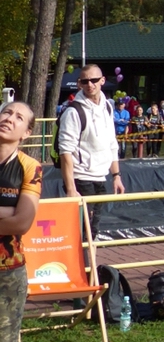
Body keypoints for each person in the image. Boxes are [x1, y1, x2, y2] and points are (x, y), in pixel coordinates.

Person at [58, 65, 126, 234]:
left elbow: (112, 143)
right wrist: (71, 188)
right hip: (81, 178)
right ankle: (83, 253)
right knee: (84, 230)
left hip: (100, 177)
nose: (90, 84)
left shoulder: (107, 106)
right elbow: (65, 152)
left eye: (94, 80)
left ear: (102, 81)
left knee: (92, 229)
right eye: (85, 81)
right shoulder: (73, 112)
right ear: (79, 83)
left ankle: (88, 252)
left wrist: (116, 176)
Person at [0, 101, 42, 342]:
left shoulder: (30, 166)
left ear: (26, 133)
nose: (9, 118)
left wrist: (15, 216)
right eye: (6, 112)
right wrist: (7, 211)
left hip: (8, 272)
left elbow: (22, 223)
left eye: (18, 117)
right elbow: (13, 217)